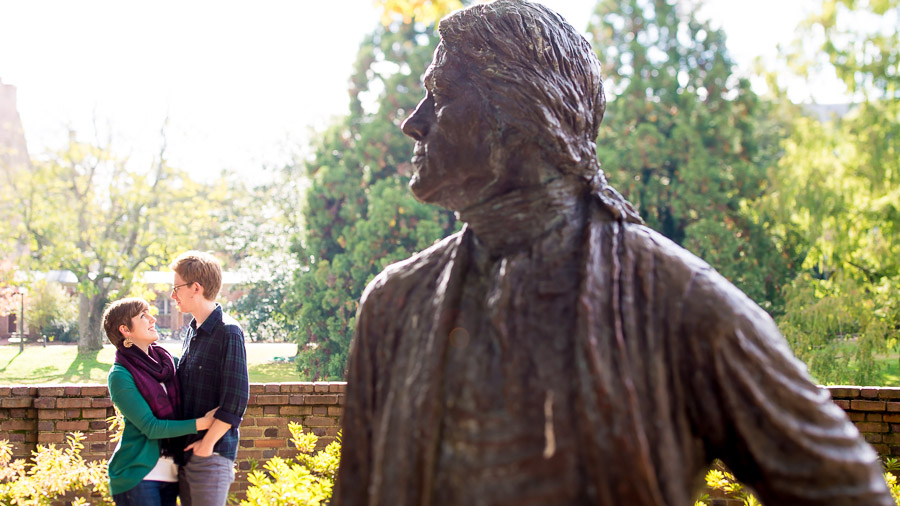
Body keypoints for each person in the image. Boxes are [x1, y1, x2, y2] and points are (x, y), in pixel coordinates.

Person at [333, 1, 893, 505]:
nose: (413, 123)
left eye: (442, 96)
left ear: (524, 117)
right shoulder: (393, 304)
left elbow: (849, 494)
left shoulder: (681, 305)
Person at [103, 297, 218, 506]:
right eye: (143, 316)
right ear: (125, 330)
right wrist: (204, 422)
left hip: (173, 473)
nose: (152, 319)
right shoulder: (120, 375)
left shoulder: (169, 363)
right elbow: (151, 427)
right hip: (138, 477)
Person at [169, 250, 249, 506]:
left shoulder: (229, 332)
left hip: (211, 455)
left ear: (195, 287)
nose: (173, 296)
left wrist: (206, 445)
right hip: (185, 455)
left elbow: (236, 401)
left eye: (176, 288)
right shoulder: (191, 332)